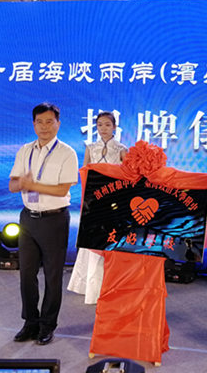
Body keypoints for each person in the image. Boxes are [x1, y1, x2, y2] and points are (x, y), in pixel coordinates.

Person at [9, 102, 78, 346]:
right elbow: (13, 185)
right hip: (28, 218)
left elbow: (62, 190)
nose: (44, 127)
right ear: (33, 124)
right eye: (40, 122)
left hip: (54, 219)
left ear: (58, 124)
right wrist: (22, 183)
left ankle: (47, 325)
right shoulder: (25, 150)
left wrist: (32, 184)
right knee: (26, 274)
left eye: (50, 122)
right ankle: (30, 322)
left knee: (52, 275)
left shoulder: (67, 153)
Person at [67, 111, 128, 304]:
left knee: (111, 241)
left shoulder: (122, 149)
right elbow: (84, 173)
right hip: (94, 201)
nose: (103, 128)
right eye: (100, 125)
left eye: (107, 125)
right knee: (93, 241)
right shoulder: (90, 148)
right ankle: (91, 288)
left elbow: (127, 177)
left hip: (114, 202)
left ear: (114, 127)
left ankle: (112, 286)